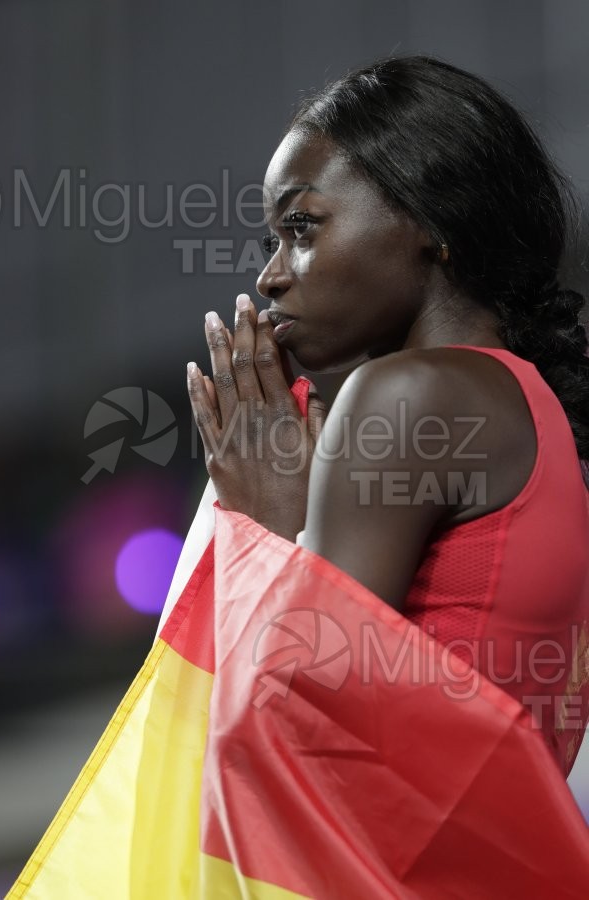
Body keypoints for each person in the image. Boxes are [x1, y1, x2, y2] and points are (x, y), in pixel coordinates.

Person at [187, 55, 589, 776]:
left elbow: (300, 732)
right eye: (271, 241)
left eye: (302, 228)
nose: (269, 274)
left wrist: (271, 521)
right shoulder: (527, 405)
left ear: (433, 223)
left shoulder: (410, 394)